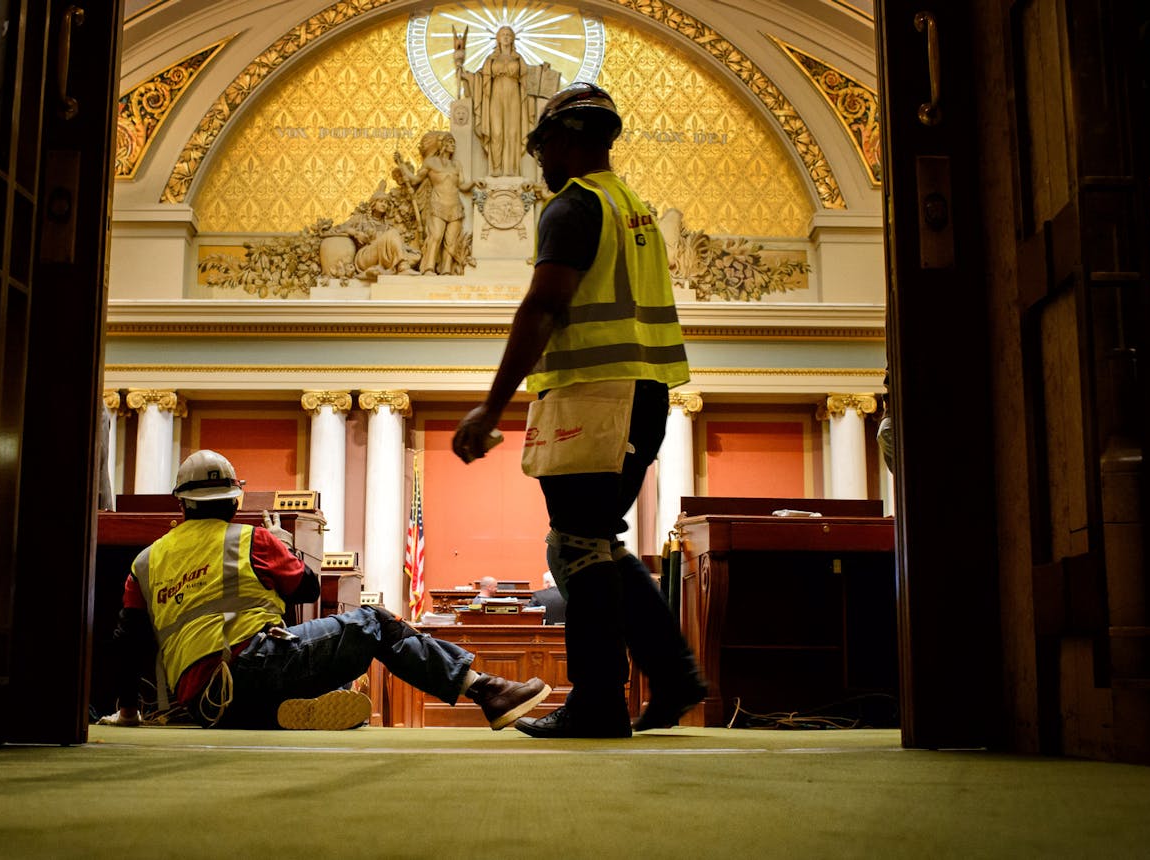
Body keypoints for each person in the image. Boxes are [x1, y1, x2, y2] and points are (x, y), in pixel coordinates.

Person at [450, 83, 707, 738]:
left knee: (577, 545)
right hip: (642, 395)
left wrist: (491, 408)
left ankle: (599, 700)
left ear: (566, 140)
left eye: (540, 148)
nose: (538, 163)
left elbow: (544, 306)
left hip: (595, 396)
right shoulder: (636, 210)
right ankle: (672, 676)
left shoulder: (573, 207)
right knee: (594, 542)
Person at [99, 449, 551, 730]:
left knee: (300, 661)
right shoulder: (249, 538)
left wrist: (129, 712)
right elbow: (305, 587)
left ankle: (292, 710)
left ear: (182, 501)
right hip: (254, 667)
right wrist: (280, 543)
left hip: (201, 703)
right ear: (235, 499)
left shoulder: (146, 560)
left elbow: (128, 642)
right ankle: (485, 690)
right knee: (373, 622)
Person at [461, 25, 544, 176]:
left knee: (513, 132)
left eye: (508, 35)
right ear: (498, 39)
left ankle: (512, 169)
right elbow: (480, 78)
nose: (506, 37)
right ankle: (496, 168)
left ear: (513, 39)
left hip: (514, 96)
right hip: (495, 96)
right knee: (496, 132)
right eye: (503, 34)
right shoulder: (491, 59)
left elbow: (528, 78)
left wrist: (541, 70)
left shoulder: (518, 59)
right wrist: (468, 77)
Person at [394, 131, 480, 275]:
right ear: (442, 145)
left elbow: (462, 185)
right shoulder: (430, 163)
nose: (453, 145)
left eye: (454, 143)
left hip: (455, 206)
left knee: (451, 241)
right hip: (438, 204)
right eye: (450, 142)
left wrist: (475, 182)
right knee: (435, 237)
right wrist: (401, 164)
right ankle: (428, 268)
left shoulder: (456, 165)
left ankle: (446, 270)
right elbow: (415, 180)